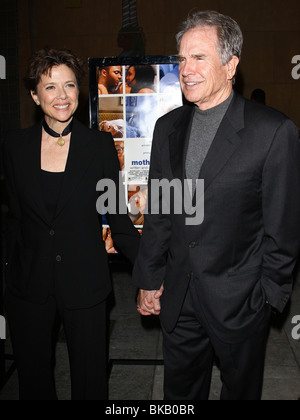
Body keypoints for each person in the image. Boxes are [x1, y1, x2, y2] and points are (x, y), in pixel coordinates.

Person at [133, 10, 300, 400]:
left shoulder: (273, 131)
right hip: (179, 299)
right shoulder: (167, 127)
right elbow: (160, 210)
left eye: (199, 57)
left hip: (240, 302)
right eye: (181, 58)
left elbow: (284, 227)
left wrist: (266, 298)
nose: (185, 69)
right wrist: (149, 278)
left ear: (231, 65)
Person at [2, 48, 140, 400]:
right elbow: (14, 219)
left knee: (90, 381)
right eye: (50, 88)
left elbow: (117, 217)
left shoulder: (100, 145)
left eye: (69, 86)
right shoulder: (15, 147)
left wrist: (151, 270)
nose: (62, 96)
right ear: (34, 95)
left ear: (80, 91)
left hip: (85, 284)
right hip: (28, 286)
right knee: (33, 382)